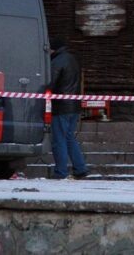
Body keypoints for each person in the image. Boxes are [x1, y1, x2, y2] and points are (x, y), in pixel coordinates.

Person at [49, 37, 89, 179]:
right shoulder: (73, 59)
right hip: (74, 105)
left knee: (59, 139)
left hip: (61, 106)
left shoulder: (56, 62)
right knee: (69, 137)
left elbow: (50, 83)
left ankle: (61, 172)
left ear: (53, 48)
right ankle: (80, 168)